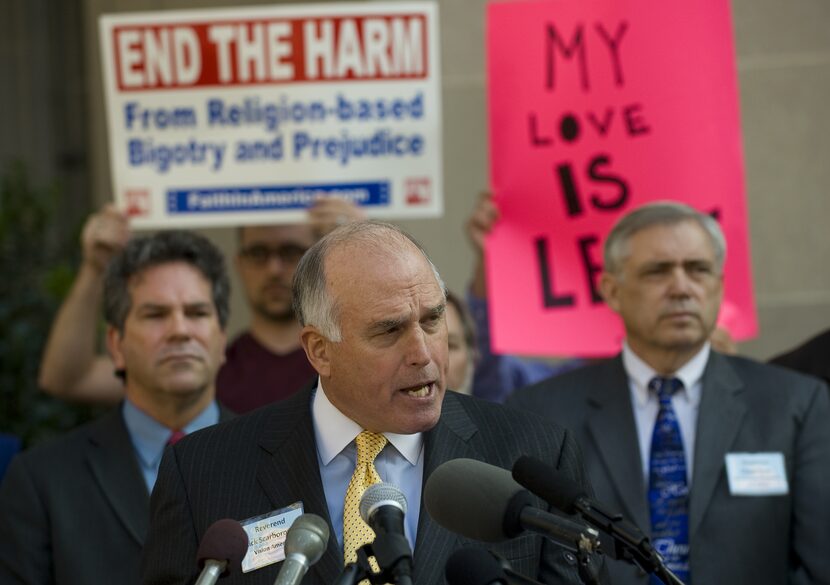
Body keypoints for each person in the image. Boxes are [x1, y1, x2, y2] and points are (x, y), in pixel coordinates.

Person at [140, 221, 595, 585]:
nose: (424, 352)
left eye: (432, 321)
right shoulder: (201, 471)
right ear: (320, 349)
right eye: (389, 330)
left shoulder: (531, 454)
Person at [507, 201, 830, 585]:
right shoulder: (542, 411)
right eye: (657, 271)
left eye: (698, 269)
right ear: (611, 290)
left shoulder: (795, 403)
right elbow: (527, 559)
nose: (681, 287)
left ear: (719, 286)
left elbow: (818, 563)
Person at [0, 231, 235, 585]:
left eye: (197, 312)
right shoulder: (41, 480)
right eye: (156, 314)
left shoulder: (283, 461)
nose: (180, 330)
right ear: (116, 344)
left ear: (221, 339)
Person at [37, 198, 364, 412]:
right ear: (239, 263)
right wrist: (95, 267)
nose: (274, 269)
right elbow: (67, 379)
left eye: (292, 252)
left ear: (319, 260)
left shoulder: (348, 361)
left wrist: (360, 248)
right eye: (259, 254)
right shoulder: (203, 360)